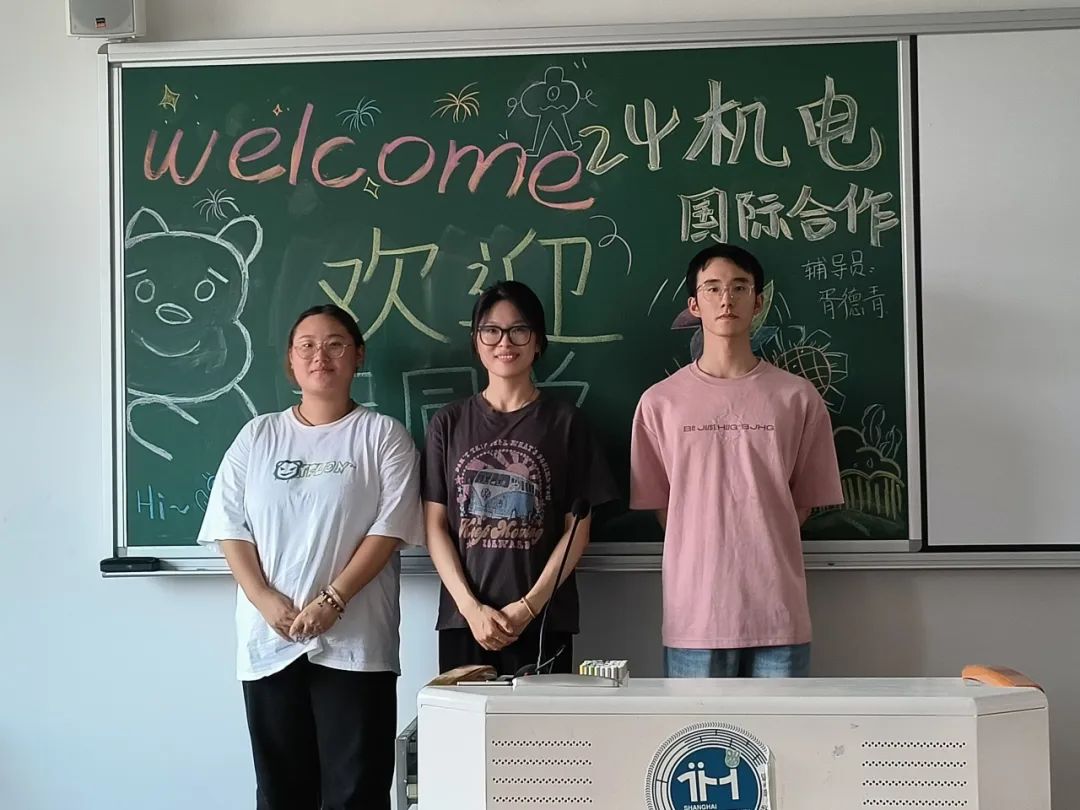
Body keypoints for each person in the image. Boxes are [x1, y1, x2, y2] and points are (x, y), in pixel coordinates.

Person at [197, 303, 422, 810]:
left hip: (356, 643)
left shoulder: (382, 435)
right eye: (308, 346)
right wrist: (263, 598)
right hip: (270, 641)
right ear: (291, 361)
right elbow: (230, 528)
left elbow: (390, 528)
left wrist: (333, 599)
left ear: (358, 355)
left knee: (356, 792)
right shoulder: (258, 436)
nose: (321, 355)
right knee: (281, 793)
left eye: (335, 344)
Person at [630, 244, 843, 679]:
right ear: (694, 305)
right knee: (696, 725)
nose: (726, 299)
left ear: (758, 301)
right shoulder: (660, 403)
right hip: (695, 616)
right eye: (712, 288)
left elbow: (803, 501)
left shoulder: (798, 397)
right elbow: (663, 508)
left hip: (777, 612)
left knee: (783, 727)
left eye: (739, 287)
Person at [422, 280, 617, 676]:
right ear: (476, 341)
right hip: (465, 621)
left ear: (538, 341)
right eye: (491, 331)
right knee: (465, 719)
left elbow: (577, 529)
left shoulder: (566, 423)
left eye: (519, 330)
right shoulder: (448, 423)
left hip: (544, 620)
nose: (504, 342)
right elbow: (435, 526)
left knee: (543, 720)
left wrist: (529, 607)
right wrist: (471, 608)